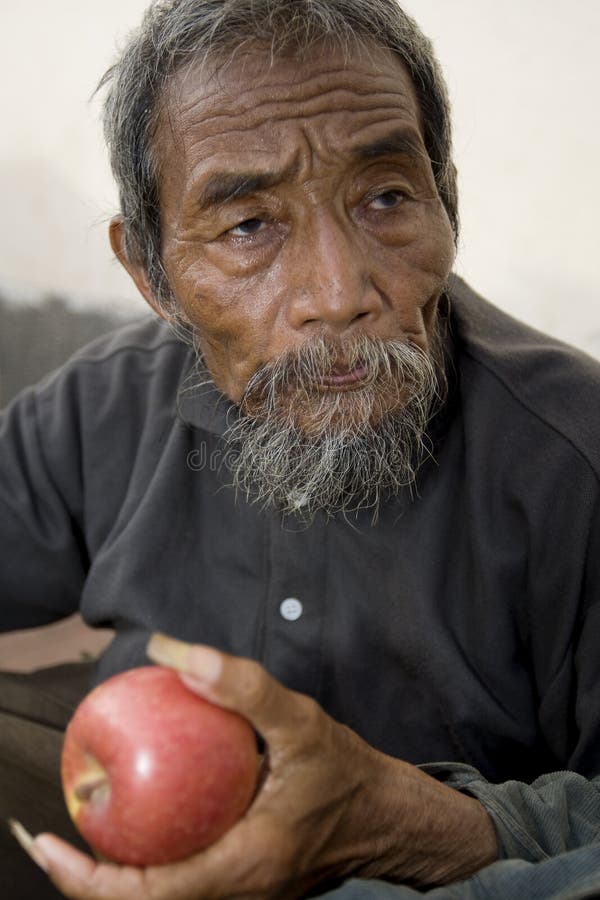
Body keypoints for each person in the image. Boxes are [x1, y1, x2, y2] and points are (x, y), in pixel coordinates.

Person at [2, 1, 600, 898]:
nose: (339, 291)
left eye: (387, 197)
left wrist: (413, 829)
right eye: (249, 226)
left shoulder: (572, 460)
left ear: (447, 201)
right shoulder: (101, 405)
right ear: (150, 274)